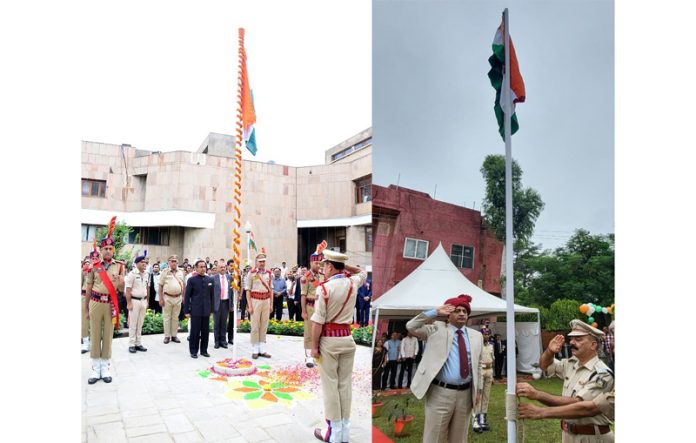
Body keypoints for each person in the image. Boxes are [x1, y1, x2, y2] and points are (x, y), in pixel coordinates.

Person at [406, 294, 484, 443]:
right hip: (440, 393)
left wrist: (478, 390)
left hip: (466, 395)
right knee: (434, 437)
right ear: (448, 315)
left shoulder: (476, 336)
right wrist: (434, 312)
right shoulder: (436, 328)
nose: (462, 313)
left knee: (459, 438)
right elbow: (411, 326)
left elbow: (478, 365)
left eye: (465, 311)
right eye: (457, 310)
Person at [519, 319, 614, 442]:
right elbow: (545, 366)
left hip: (592, 437)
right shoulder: (572, 363)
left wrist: (538, 397)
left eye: (578, 339)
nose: (572, 342)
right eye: (571, 339)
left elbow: (580, 406)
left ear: (593, 345)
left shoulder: (602, 373)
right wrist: (549, 352)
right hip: (568, 434)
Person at [310, 250, 367, 443]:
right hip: (347, 339)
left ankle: (333, 433)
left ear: (331, 266)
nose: (323, 268)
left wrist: (314, 346)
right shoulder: (353, 282)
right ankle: (345, 431)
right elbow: (362, 272)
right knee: (345, 385)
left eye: (325, 265)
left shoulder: (324, 289)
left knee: (330, 387)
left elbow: (318, 321)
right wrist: (344, 266)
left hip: (329, 341)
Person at [83, 218, 125, 384]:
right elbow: (88, 288)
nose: (108, 251)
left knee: (107, 334)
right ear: (100, 250)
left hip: (110, 304)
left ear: (113, 250)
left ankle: (105, 367)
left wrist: (121, 284)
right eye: (105, 248)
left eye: (110, 248)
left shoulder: (120, 266)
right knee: (94, 334)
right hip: (95, 302)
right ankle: (95, 368)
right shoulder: (94, 266)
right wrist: (86, 309)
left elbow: (121, 290)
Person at [302, 242, 327, 367]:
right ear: (311, 263)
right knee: (309, 331)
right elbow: (303, 295)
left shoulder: (323, 276)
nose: (318, 265)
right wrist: (303, 311)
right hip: (310, 307)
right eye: (316, 263)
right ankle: (308, 357)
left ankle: (316, 354)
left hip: (320, 307)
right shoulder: (305, 277)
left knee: (319, 331)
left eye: (320, 262)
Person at [245, 253, 273, 359]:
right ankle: (255, 349)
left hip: (266, 300)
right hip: (255, 300)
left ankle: (262, 349)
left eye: (264, 261)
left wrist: (271, 304)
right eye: (260, 261)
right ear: (256, 262)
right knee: (255, 326)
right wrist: (250, 305)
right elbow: (248, 290)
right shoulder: (251, 274)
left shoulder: (269, 274)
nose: (262, 263)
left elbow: (271, 290)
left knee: (264, 325)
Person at [184, 260, 214, 359]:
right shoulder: (192, 280)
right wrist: (186, 311)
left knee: (205, 332)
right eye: (200, 267)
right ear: (196, 268)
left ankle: (204, 350)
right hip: (195, 310)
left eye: (204, 266)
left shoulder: (210, 279)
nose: (203, 268)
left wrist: (212, 309)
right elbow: (187, 296)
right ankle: (193, 351)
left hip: (206, 310)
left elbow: (212, 296)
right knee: (195, 332)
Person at [125, 251, 150, 353]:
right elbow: (128, 290)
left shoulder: (147, 274)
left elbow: (146, 288)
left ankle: (138, 343)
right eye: (142, 262)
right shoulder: (132, 274)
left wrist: (147, 301)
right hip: (134, 301)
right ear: (137, 263)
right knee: (133, 324)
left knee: (140, 323)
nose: (144, 264)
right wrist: (129, 303)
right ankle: (131, 344)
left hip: (143, 301)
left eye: (145, 262)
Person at [158, 255, 185, 344]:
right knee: (166, 317)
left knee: (175, 317)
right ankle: (167, 336)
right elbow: (160, 286)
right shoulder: (165, 272)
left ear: (177, 262)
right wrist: (160, 299)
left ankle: (174, 335)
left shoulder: (181, 272)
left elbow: (183, 285)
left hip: (178, 297)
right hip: (167, 297)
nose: (173, 263)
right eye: (172, 261)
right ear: (169, 262)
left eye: (175, 261)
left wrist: (183, 296)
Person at [472, 332, 494, 433]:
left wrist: (492, 374)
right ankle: (476, 420)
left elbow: (492, 358)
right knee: (478, 396)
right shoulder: (477, 345)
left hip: (489, 371)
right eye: (484, 334)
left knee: (486, 396)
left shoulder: (491, 346)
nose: (486, 336)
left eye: (488, 334)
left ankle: (483, 419)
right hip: (480, 371)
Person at [212, 261, 231, 349]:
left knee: (224, 323)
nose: (223, 268)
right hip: (217, 303)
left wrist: (232, 305)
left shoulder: (229, 277)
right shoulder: (213, 278)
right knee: (216, 323)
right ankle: (216, 341)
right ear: (217, 268)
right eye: (221, 267)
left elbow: (232, 292)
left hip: (226, 303)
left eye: (224, 267)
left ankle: (223, 341)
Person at [81, 259, 92, 354]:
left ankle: (93, 342)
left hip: (95, 297)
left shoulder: (99, 270)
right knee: (84, 320)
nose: (89, 263)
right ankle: (85, 342)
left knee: (94, 320)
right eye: (87, 262)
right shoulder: (83, 271)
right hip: (84, 296)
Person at [225, 259, 236, 346]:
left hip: (234, 301)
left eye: (234, 266)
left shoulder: (237, 275)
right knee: (224, 320)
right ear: (227, 266)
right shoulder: (224, 275)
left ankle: (230, 338)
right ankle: (222, 338)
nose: (233, 267)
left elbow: (239, 287)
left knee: (232, 321)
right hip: (225, 300)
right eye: (231, 265)